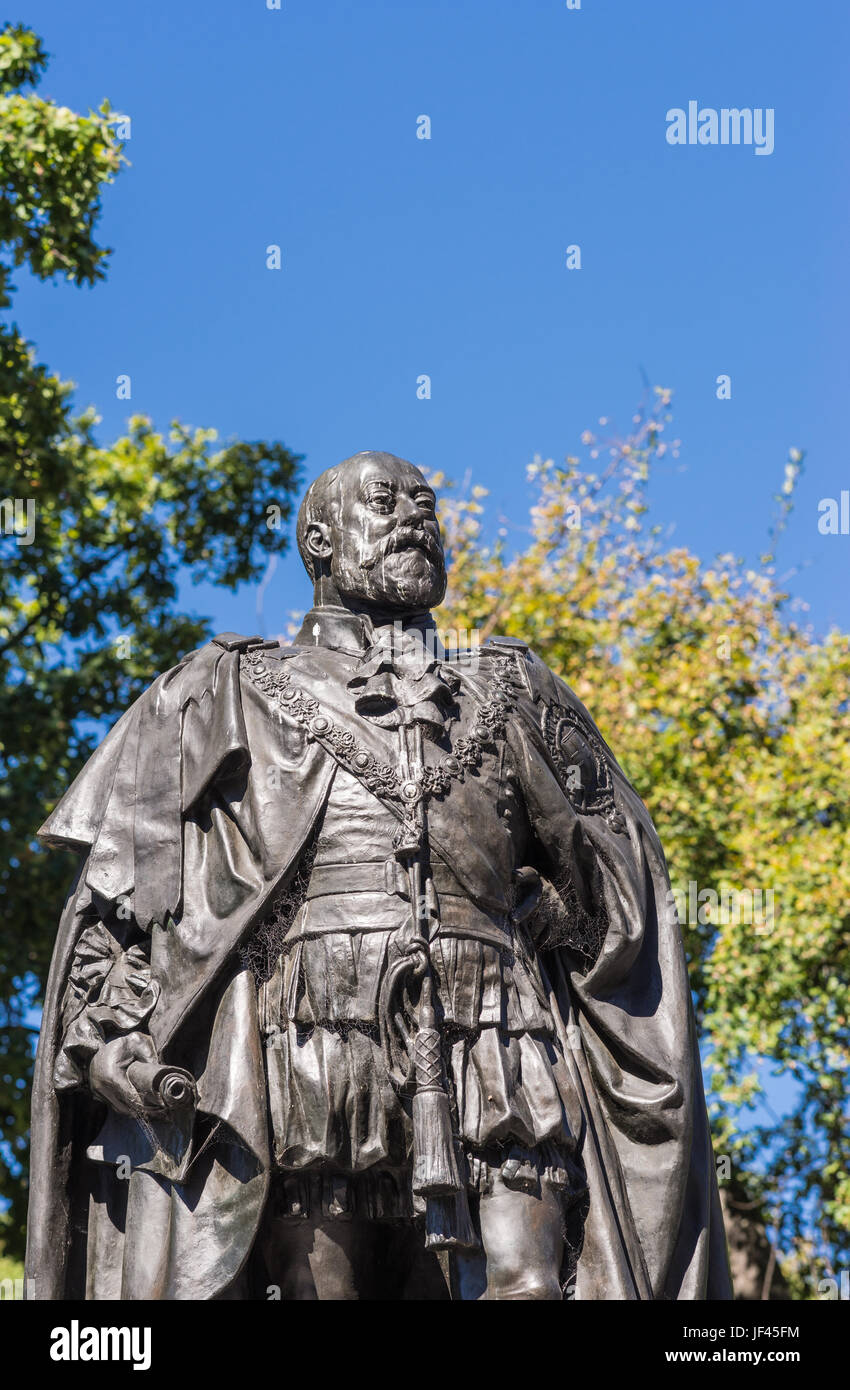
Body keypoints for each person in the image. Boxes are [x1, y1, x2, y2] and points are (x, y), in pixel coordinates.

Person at [26, 451, 732, 1300]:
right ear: (319, 540)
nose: (415, 518)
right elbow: (127, 898)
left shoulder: (513, 689)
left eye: (427, 504)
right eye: (386, 501)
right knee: (323, 1283)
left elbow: (619, 881)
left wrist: (552, 918)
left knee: (527, 1280)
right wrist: (110, 1035)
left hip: (495, 1019)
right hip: (309, 1020)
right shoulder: (223, 691)